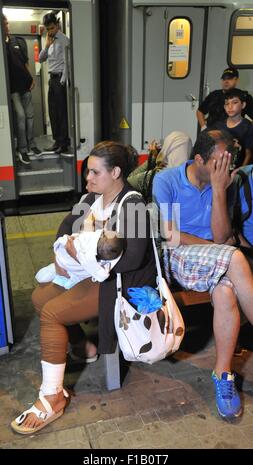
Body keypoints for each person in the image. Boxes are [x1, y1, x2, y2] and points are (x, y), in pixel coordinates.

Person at [11, 140, 156, 434]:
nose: (87, 179)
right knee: (40, 298)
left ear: (115, 172)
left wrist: (84, 259)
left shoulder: (134, 204)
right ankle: (83, 346)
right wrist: (60, 251)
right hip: (88, 275)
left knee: (52, 312)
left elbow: (133, 259)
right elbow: (66, 227)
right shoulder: (91, 199)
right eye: (87, 172)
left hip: (117, 282)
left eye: (93, 173)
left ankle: (52, 395)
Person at [153, 129, 253, 420]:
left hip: (215, 260)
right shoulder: (167, 180)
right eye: (219, 162)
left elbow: (223, 235)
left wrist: (220, 189)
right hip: (179, 255)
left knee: (226, 292)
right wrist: (216, 249)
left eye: (229, 162)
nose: (226, 168)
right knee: (234, 256)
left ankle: (223, 376)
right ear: (198, 159)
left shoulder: (222, 183)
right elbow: (170, 234)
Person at [2, 13, 42, 165]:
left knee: (30, 116)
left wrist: (31, 78)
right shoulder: (1, 44)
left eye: (7, 23)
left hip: (25, 85)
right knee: (20, 116)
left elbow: (25, 63)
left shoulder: (17, 41)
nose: (7, 26)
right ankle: (22, 149)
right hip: (12, 89)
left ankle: (31, 145)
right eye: (4, 23)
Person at [35, 229, 124, 289]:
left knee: (42, 284)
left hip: (68, 268)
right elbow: (101, 274)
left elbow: (65, 242)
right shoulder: (97, 261)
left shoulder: (90, 254)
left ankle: (62, 276)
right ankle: (63, 276)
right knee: (42, 281)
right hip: (66, 267)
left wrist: (73, 253)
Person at [127, 131, 192, 202]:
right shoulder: (193, 178)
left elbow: (129, 181)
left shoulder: (158, 175)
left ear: (167, 148)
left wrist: (153, 157)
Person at [39, 12, 70, 154]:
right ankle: (57, 140)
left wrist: (63, 82)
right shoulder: (48, 40)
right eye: (48, 29)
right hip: (52, 80)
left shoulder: (64, 40)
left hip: (59, 80)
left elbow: (67, 63)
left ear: (57, 25)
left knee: (61, 112)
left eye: (52, 28)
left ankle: (63, 142)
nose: (50, 31)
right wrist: (46, 46)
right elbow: (40, 59)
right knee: (53, 112)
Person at [212, 89, 253, 167]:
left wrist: (240, 172)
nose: (230, 107)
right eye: (227, 104)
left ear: (243, 105)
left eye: (235, 102)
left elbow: (249, 154)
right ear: (224, 106)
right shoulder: (218, 125)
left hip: (237, 170)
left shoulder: (248, 127)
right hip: (219, 168)